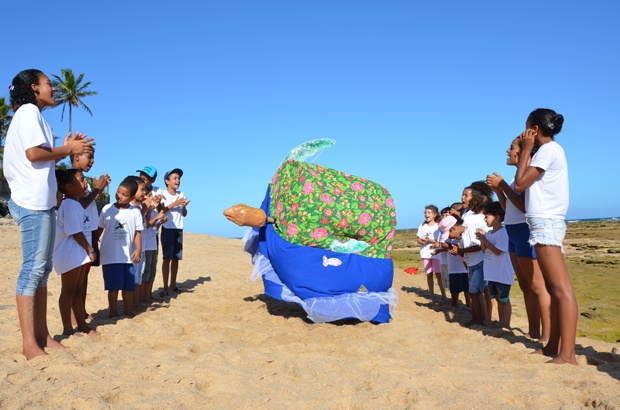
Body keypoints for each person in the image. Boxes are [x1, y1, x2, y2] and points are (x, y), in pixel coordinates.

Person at [4, 69, 95, 359]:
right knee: (32, 271)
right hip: (31, 203)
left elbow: (40, 156)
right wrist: (68, 148)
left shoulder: (32, 115)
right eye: (48, 84)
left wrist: (64, 148)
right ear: (34, 88)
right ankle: (30, 343)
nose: (53, 88)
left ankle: (42, 336)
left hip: (39, 203)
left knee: (41, 272)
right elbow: (33, 155)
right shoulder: (29, 111)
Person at [514, 108, 577, 365]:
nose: (524, 131)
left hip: (547, 223)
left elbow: (519, 185)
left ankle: (568, 355)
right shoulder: (549, 151)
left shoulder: (549, 150)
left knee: (562, 289)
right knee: (553, 288)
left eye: (527, 127)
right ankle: (553, 346)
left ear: (536, 129)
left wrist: (526, 149)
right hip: (542, 223)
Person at [487, 137, 551, 342]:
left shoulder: (526, 175)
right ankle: (534, 331)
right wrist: (500, 191)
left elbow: (525, 208)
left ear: (524, 152)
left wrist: (503, 185)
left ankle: (546, 336)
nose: (507, 150)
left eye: (512, 147)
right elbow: (510, 211)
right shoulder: (517, 178)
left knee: (537, 285)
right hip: (513, 230)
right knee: (525, 285)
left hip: (524, 231)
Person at [53, 169, 98, 336]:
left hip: (77, 254)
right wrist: (89, 248)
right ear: (69, 187)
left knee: (77, 291)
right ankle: (67, 328)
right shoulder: (69, 205)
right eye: (81, 180)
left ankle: (82, 325)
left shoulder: (75, 204)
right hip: (69, 254)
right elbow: (75, 231)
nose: (85, 183)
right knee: (68, 291)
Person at [70, 149, 111, 322]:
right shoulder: (70, 179)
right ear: (76, 157)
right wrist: (97, 190)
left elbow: (87, 204)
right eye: (90, 157)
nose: (92, 161)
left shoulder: (82, 181)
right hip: (80, 236)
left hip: (90, 232)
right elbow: (81, 204)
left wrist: (97, 191)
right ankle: (74, 316)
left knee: (84, 277)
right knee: (75, 280)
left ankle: (82, 310)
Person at [97, 177, 143, 317]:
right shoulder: (107, 209)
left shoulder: (135, 212)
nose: (120, 196)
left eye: (124, 195)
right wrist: (95, 242)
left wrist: (138, 249)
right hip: (110, 256)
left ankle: (128, 312)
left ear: (132, 197)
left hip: (128, 257)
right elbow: (99, 229)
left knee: (128, 287)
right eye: (118, 192)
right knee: (113, 288)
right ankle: (113, 313)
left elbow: (137, 233)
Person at [457, 184, 492, 326]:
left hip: (479, 261)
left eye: (466, 195)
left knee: (475, 292)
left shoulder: (477, 219)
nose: (462, 197)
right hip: (472, 261)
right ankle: (480, 318)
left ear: (475, 198)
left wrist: (461, 251)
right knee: (475, 292)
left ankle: (480, 319)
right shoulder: (468, 215)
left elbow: (478, 245)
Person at [475, 202, 514, 329]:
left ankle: (505, 325)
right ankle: (501, 323)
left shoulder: (504, 233)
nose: (485, 219)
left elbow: (497, 251)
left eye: (487, 216)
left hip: (501, 273)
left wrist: (483, 239)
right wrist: (483, 239)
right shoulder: (489, 233)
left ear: (497, 217)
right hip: (492, 273)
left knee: (504, 299)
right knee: (497, 299)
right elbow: (484, 250)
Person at [160, 168, 190, 295]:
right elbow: (161, 210)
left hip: (178, 228)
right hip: (167, 228)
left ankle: (173, 285)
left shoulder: (181, 194)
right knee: (167, 258)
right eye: (175, 178)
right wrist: (175, 203)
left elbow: (184, 214)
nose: (177, 180)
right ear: (167, 181)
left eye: (179, 178)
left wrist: (183, 207)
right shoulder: (163, 194)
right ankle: (165, 286)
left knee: (176, 258)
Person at [435, 215, 469, 308]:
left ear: (453, 228)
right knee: (455, 288)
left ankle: (469, 305)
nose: (449, 236)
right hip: (455, 266)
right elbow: (443, 244)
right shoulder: (456, 235)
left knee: (468, 288)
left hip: (466, 266)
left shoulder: (466, 234)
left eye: (449, 234)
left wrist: (459, 250)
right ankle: (455, 305)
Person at [141, 186, 168, 303]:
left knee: (151, 272)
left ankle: (148, 295)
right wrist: (156, 215)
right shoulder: (145, 209)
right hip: (146, 246)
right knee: (145, 273)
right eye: (149, 195)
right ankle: (143, 297)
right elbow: (146, 224)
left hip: (152, 244)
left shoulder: (151, 210)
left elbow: (152, 228)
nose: (152, 197)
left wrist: (160, 223)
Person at [416, 205, 445, 300]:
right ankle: (431, 294)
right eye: (425, 212)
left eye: (429, 212)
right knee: (429, 274)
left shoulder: (438, 226)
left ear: (435, 214)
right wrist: (423, 241)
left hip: (436, 253)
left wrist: (431, 241)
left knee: (438, 274)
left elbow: (440, 240)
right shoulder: (422, 225)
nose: (426, 214)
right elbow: (418, 239)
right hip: (425, 253)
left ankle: (443, 294)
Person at [129, 176, 147, 310]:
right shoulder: (131, 207)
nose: (144, 193)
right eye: (142, 190)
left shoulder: (138, 206)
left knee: (138, 275)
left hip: (140, 247)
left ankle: (136, 303)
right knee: (134, 277)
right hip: (133, 248)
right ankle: (133, 304)